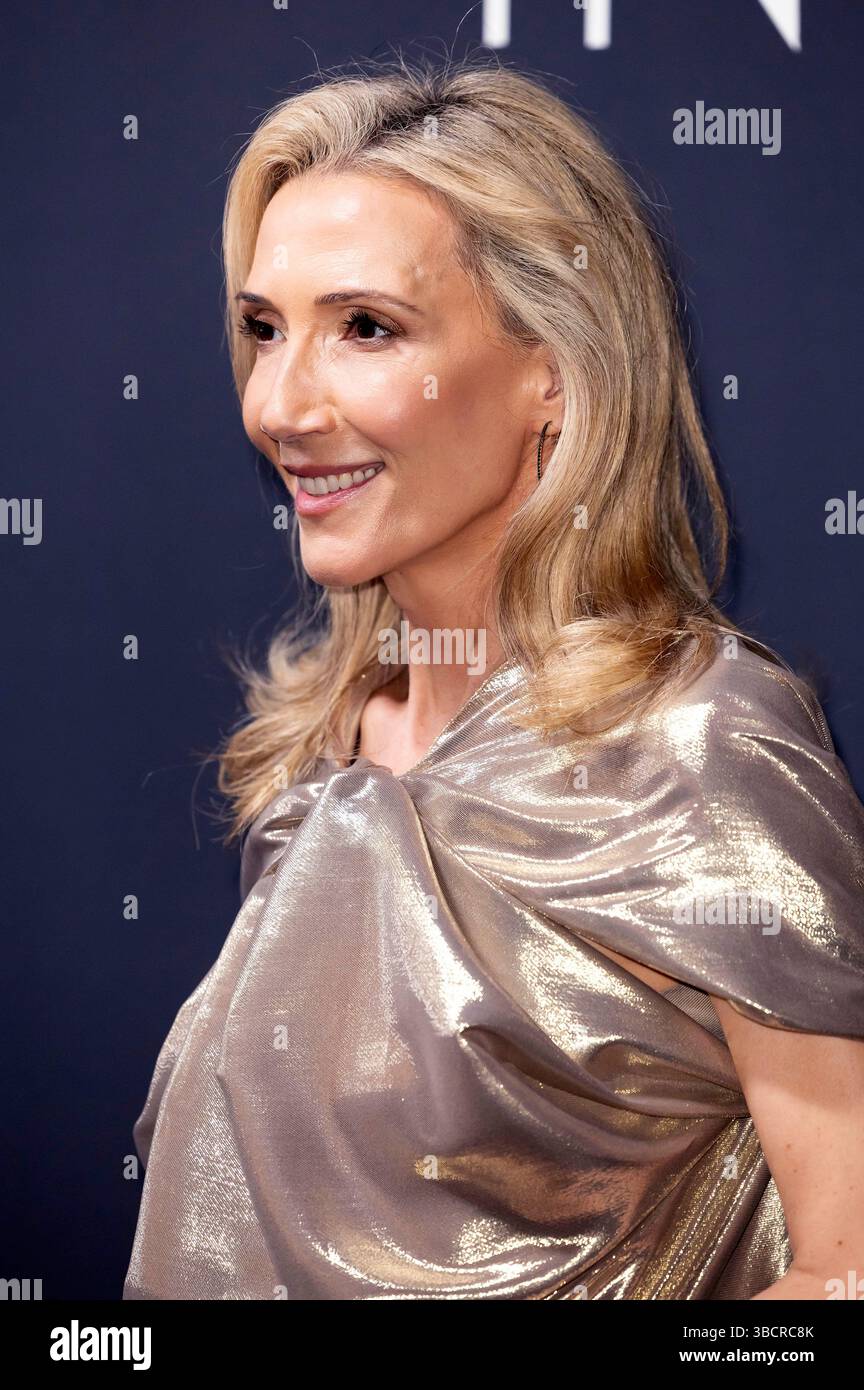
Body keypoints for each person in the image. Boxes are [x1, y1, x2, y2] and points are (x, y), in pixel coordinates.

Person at [123, 56, 864, 1301]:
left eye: (365, 327)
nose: (280, 403)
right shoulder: (325, 752)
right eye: (265, 329)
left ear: (554, 375)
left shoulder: (703, 743)